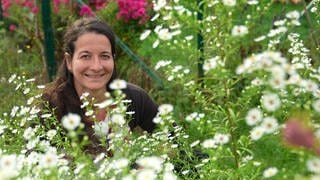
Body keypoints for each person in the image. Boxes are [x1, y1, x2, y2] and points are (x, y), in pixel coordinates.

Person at [42, 17, 158, 155]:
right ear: (69, 61)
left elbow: (180, 150)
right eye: (85, 56)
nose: (96, 66)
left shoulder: (134, 98)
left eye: (104, 56)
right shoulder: (50, 108)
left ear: (113, 59)